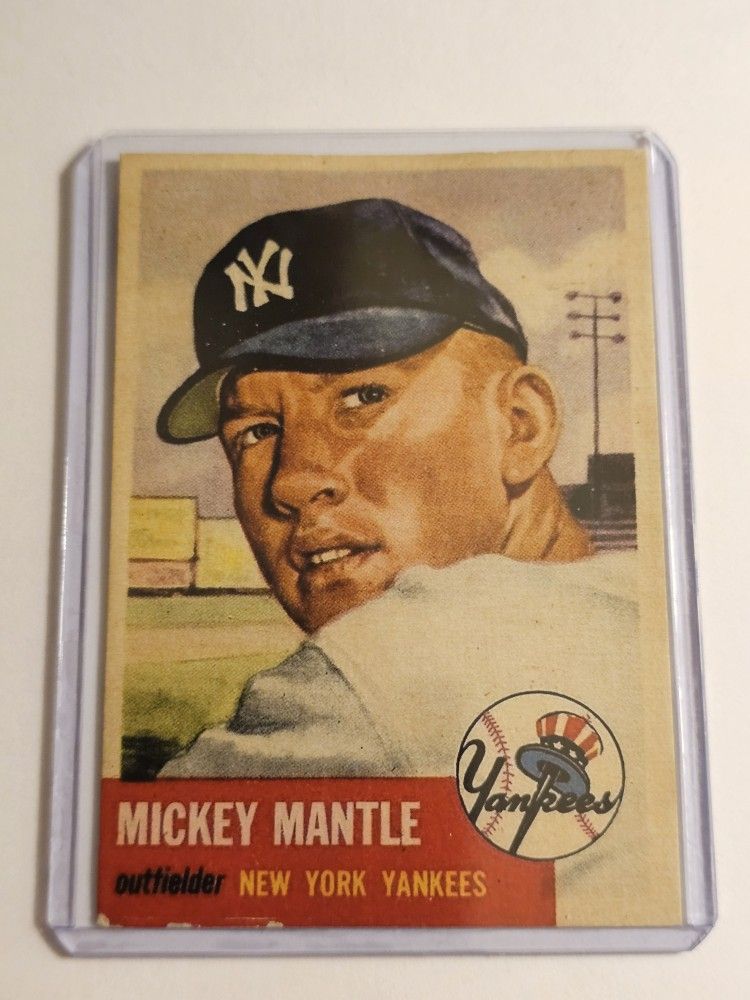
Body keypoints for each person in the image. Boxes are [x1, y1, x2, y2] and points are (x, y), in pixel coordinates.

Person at [155, 198, 634, 779]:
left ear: (519, 425)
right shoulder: (645, 611)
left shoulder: (369, 677)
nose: (291, 481)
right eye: (257, 431)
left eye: (364, 396)